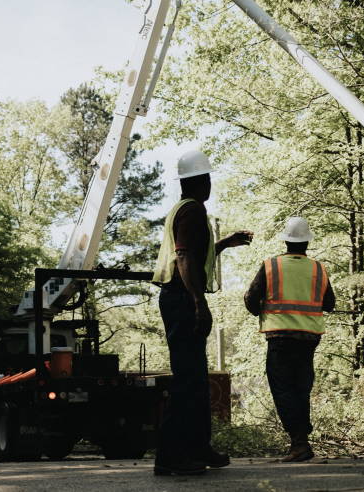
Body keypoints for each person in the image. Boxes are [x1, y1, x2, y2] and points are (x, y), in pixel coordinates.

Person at [152, 150, 253, 476]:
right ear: (199, 181)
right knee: (187, 381)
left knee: (195, 379)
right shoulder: (193, 211)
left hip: (179, 297)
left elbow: (195, 253)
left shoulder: (183, 210)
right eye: (207, 178)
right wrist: (199, 301)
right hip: (182, 299)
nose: (210, 184)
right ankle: (170, 457)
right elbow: (183, 259)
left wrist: (224, 243)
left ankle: (198, 447)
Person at [243, 217, 335, 462]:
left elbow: (251, 300)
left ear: (285, 240)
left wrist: (262, 310)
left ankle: (299, 441)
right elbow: (330, 304)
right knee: (301, 387)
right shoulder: (318, 269)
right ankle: (301, 440)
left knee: (283, 389)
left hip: (280, 337)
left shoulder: (271, 266)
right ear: (307, 242)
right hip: (308, 338)